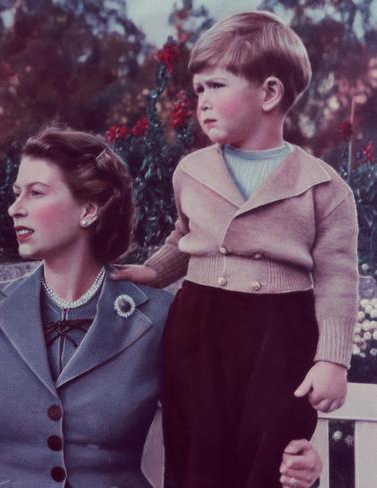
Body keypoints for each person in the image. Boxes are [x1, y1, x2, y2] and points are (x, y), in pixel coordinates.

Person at [0, 128, 323, 488]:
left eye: (36, 192)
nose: (15, 208)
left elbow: (227, 411)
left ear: (89, 209)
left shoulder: (160, 317)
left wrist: (295, 456)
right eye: (16, 193)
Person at [112, 11, 358, 488]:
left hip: (281, 332)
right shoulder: (192, 170)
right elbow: (184, 238)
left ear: (269, 93)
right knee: (195, 451)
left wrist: (331, 360)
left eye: (217, 86)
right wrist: (153, 272)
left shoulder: (324, 187)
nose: (201, 101)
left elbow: (337, 277)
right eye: (198, 89)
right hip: (200, 323)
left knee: (272, 455)